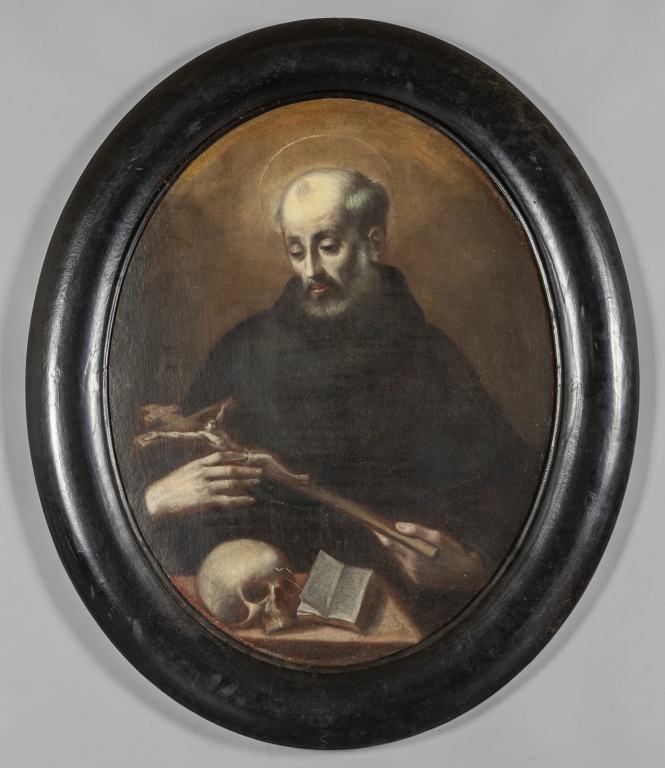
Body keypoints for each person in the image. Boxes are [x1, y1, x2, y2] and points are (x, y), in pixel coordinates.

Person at [138, 168, 542, 633]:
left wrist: (471, 565)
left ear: (373, 242)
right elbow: (166, 459)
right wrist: (154, 497)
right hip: (265, 606)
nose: (310, 270)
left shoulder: (429, 354)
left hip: (395, 607)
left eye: (328, 246)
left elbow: (510, 482)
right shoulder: (244, 347)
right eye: (296, 250)